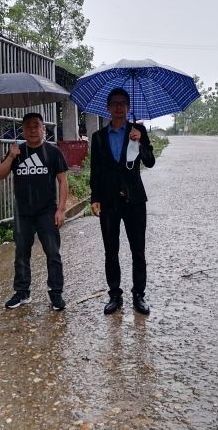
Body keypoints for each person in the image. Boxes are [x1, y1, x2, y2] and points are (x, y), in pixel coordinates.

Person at [89, 87, 155, 315]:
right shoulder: (98, 137)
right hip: (108, 201)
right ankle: (115, 295)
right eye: (115, 103)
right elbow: (95, 170)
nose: (119, 107)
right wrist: (95, 197)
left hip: (134, 200)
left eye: (123, 103)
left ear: (128, 107)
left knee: (138, 250)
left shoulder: (138, 131)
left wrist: (141, 143)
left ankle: (139, 295)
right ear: (108, 107)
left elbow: (150, 162)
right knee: (111, 250)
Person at [0, 112, 69, 311]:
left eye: (36, 125)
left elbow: (63, 181)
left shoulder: (53, 152)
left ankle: (56, 294)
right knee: (21, 253)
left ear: (43, 129)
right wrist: (11, 157)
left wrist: (61, 209)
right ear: (22, 130)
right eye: (28, 126)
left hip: (47, 211)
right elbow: (0, 174)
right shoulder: (17, 152)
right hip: (23, 212)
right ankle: (22, 292)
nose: (32, 130)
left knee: (52, 253)